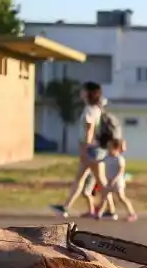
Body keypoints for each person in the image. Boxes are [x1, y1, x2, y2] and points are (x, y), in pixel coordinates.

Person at [51, 82, 113, 219]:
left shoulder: (90, 109)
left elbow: (89, 129)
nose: (81, 92)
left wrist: (85, 148)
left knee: (88, 180)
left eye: (83, 90)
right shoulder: (96, 109)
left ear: (89, 93)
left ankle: (66, 208)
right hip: (96, 149)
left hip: (91, 150)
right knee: (92, 180)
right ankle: (67, 207)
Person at [96, 138, 137, 222]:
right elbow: (99, 161)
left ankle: (132, 214)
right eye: (107, 147)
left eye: (110, 147)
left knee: (121, 198)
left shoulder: (119, 158)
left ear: (116, 148)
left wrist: (114, 179)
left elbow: (121, 170)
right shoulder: (107, 157)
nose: (108, 149)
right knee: (104, 196)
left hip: (118, 182)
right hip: (109, 181)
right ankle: (99, 213)